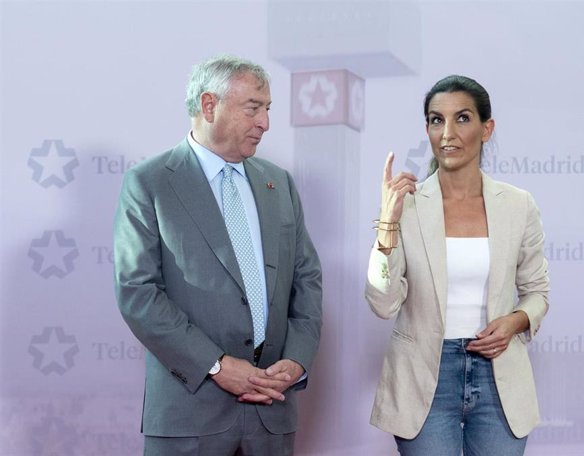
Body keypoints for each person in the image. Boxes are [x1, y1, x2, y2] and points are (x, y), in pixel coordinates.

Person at [114, 55, 322, 456]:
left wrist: (297, 359)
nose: (265, 123)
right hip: (189, 415)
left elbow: (306, 278)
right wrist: (217, 365)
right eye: (253, 108)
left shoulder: (278, 183)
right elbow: (137, 293)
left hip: (271, 415)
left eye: (267, 109)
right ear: (209, 106)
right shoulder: (150, 183)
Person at [365, 75, 549, 456]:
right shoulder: (407, 204)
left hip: (498, 374)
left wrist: (514, 322)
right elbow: (383, 304)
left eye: (462, 118)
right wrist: (387, 223)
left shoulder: (518, 205)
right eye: (436, 120)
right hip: (424, 379)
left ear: (487, 128)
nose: (447, 133)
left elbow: (537, 293)